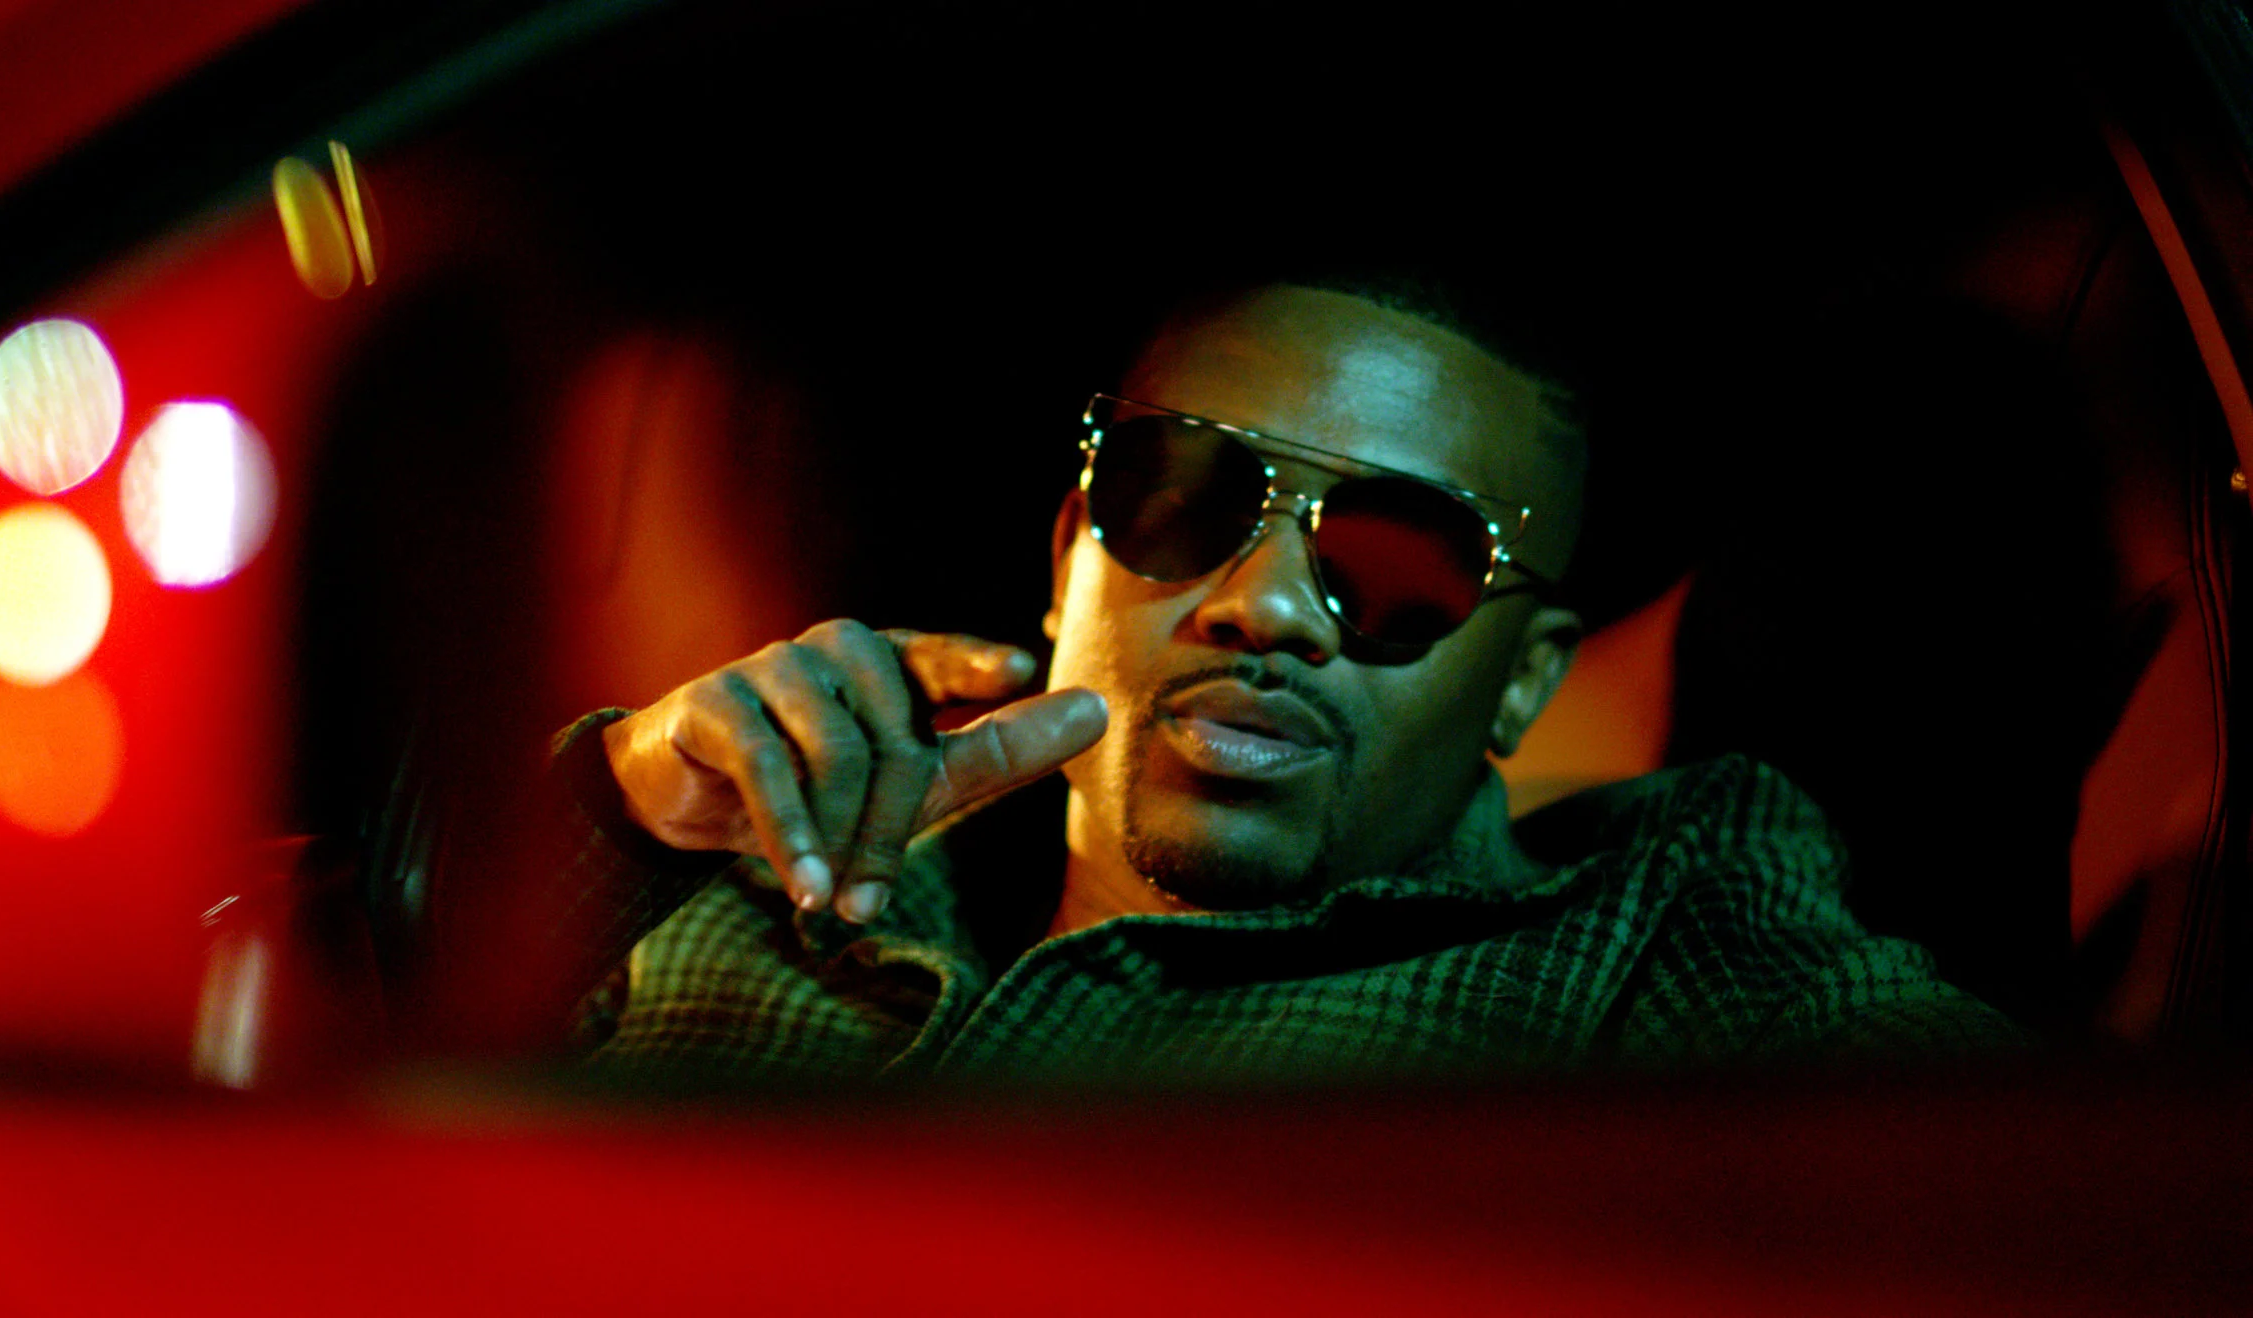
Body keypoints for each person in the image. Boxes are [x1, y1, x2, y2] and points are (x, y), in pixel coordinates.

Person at [543, 276, 2022, 1085]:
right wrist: (616, 826)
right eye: (1184, 496)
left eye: (1398, 559)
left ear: (1522, 682)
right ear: (1070, 553)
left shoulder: (1653, 949)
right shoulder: (759, 861)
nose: (1260, 605)